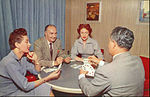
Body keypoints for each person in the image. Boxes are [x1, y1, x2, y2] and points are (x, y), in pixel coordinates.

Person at [78, 26, 145, 96]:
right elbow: (118, 68)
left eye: (109, 41)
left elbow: (90, 92)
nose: (108, 45)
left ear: (114, 44)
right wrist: (100, 62)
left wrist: (81, 75)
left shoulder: (105, 71)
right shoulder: (138, 61)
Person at [0, 28, 60, 96]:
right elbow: (25, 86)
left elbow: (37, 72)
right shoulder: (9, 62)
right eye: (26, 42)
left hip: (20, 89)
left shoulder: (23, 58)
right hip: (10, 94)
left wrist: (36, 60)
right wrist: (48, 78)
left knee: (44, 87)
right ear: (17, 44)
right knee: (43, 85)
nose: (30, 44)